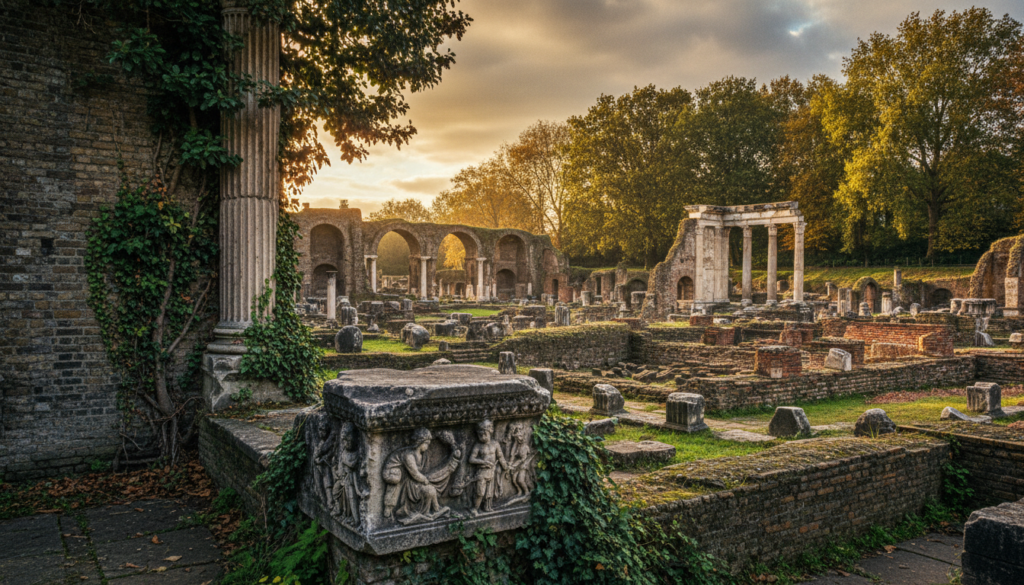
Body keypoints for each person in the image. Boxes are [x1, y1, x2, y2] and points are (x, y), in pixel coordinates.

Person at [468, 419, 509, 515]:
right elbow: (471, 459)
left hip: (492, 471)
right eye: (479, 435)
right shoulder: (478, 445)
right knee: (480, 492)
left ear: (490, 431)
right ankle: (475, 508)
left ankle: (487, 507)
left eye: (484, 434)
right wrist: (483, 462)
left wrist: (505, 466)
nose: (481, 437)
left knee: (489, 493)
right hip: (482, 472)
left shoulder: (495, 444)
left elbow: (500, 456)